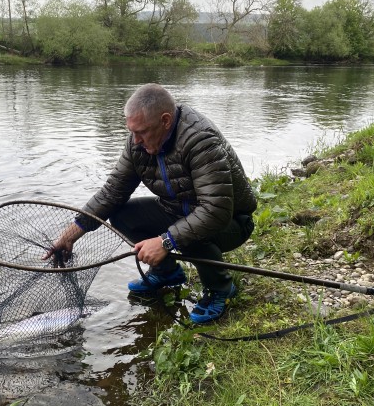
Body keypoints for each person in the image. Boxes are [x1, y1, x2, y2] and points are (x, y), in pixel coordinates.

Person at [44, 83, 257, 323]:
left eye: (141, 132)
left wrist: (167, 241)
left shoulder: (199, 140)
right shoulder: (138, 143)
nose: (135, 140)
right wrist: (71, 233)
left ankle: (221, 289)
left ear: (165, 121)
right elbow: (112, 192)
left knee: (191, 231)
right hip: (179, 209)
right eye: (131, 131)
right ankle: (167, 273)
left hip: (231, 222)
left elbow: (215, 211)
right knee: (123, 215)